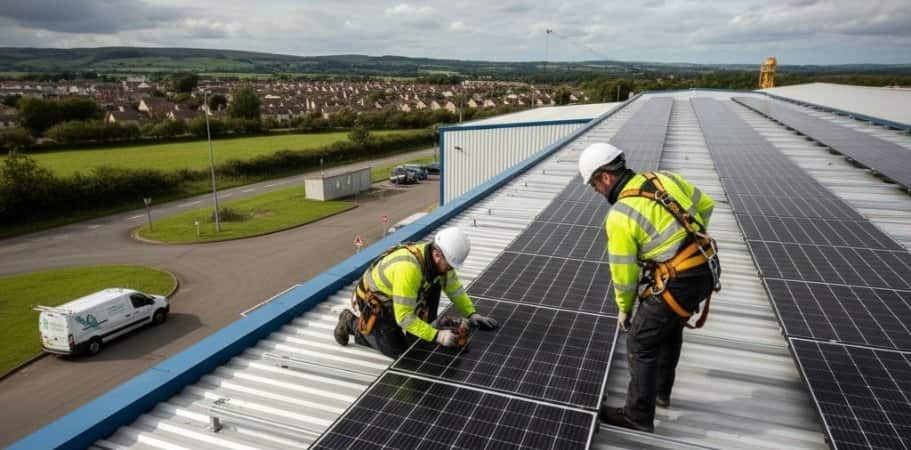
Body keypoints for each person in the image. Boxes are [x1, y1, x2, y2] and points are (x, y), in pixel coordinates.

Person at [578, 142, 721, 432]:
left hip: (680, 281)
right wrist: (686, 244)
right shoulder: (663, 178)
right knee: (669, 328)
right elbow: (706, 205)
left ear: (605, 177)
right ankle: (659, 392)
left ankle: (638, 415)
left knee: (640, 340)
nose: (597, 192)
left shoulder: (619, 216)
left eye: (595, 185)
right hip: (705, 265)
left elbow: (624, 273)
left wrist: (624, 309)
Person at [334, 226, 498, 358]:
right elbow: (404, 317)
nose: (450, 270)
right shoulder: (409, 269)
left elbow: (454, 289)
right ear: (437, 254)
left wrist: (471, 314)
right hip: (377, 302)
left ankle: (421, 332)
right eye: (449, 265)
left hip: (402, 295)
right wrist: (437, 336)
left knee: (437, 283)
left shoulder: (438, 263)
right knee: (399, 351)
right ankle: (350, 322)